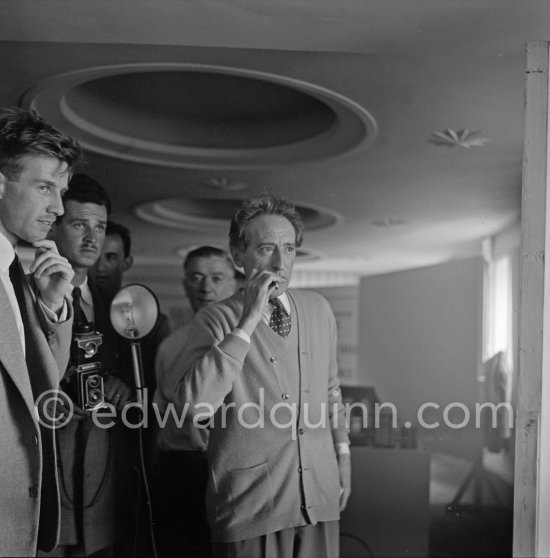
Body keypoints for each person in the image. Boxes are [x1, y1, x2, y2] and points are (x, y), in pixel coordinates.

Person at [172, 194, 351, 558]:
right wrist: (248, 320)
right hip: (250, 504)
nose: (280, 262)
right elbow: (194, 406)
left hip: (319, 492)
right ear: (239, 256)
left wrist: (343, 458)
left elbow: (332, 391)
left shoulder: (319, 309)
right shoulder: (215, 319)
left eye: (289, 248)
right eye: (266, 248)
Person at [0, 106, 81, 556]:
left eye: (62, 190)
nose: (59, 208)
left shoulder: (17, 275)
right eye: (45, 187)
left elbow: (40, 392)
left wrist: (49, 307)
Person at [46, 174, 135, 557]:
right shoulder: (22, 293)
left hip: (100, 483)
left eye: (99, 226)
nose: (92, 238)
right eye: (79, 224)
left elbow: (131, 383)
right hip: (45, 478)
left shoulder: (116, 307)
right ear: (54, 225)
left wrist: (121, 387)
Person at [154, 246, 238, 558]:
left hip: (230, 468)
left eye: (217, 277)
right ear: (185, 285)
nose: (206, 287)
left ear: (234, 283)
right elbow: (161, 419)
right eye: (197, 278)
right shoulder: (170, 346)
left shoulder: (249, 343)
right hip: (179, 473)